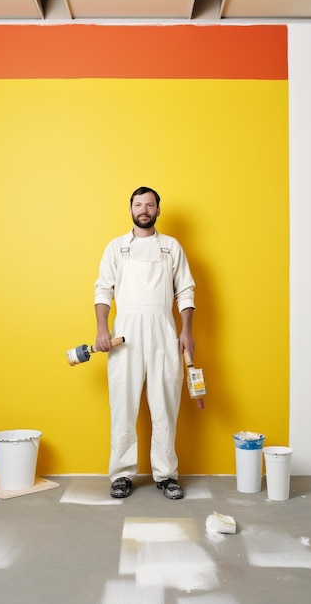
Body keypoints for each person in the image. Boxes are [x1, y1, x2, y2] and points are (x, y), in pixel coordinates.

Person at [94, 186, 196, 500]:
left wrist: (186, 331)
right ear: (131, 209)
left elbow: (186, 291)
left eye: (149, 204)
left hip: (165, 330)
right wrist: (101, 329)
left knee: (165, 404)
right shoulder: (116, 248)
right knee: (122, 405)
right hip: (124, 333)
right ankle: (122, 475)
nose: (143, 209)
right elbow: (102, 290)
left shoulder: (171, 247)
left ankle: (166, 475)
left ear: (157, 210)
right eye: (138, 204)